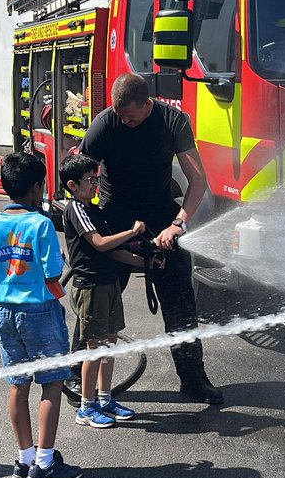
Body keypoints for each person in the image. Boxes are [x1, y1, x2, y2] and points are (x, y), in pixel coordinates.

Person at [79, 72, 223, 406]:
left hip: (160, 216)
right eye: (119, 115)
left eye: (130, 114)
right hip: (115, 217)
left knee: (181, 302)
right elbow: (78, 172)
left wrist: (177, 224)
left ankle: (193, 378)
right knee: (99, 300)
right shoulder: (106, 123)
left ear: (147, 104)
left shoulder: (173, 121)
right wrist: (89, 223)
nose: (124, 120)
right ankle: (77, 376)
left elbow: (197, 180)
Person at [0, 152, 82, 478]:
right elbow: (54, 274)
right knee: (52, 383)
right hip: (39, 311)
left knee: (17, 384)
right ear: (37, 187)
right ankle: (45, 463)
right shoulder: (41, 225)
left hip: (4, 313)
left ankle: (24, 458)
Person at [59, 152, 145, 429]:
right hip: (91, 286)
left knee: (109, 345)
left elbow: (115, 252)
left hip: (109, 283)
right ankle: (86, 408)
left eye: (96, 178)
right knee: (94, 348)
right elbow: (99, 243)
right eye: (89, 179)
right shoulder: (76, 210)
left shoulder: (95, 210)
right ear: (72, 185)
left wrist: (147, 261)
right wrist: (132, 232)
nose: (95, 183)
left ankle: (105, 399)